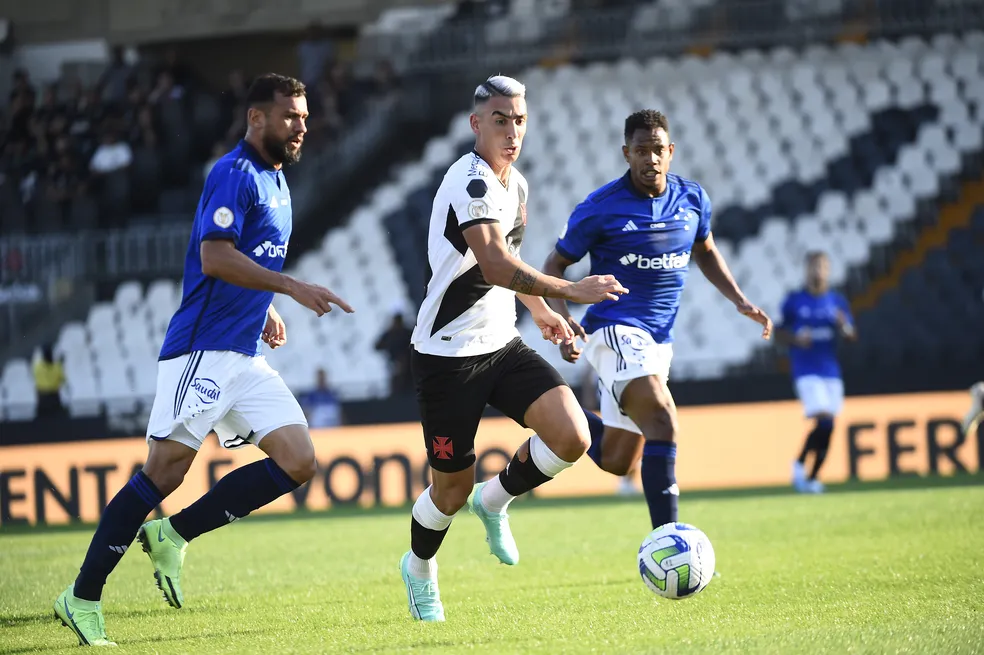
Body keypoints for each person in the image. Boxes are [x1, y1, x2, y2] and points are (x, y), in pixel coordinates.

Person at [53, 73, 354, 647]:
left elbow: (246, 257)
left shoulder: (279, 181)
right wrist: (286, 286)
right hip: (202, 350)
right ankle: (82, 596)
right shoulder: (233, 173)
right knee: (163, 473)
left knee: (299, 460)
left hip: (243, 352)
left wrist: (261, 303)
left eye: (306, 116)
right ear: (257, 118)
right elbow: (214, 257)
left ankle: (174, 536)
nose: (302, 125)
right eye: (291, 115)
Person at [400, 75, 627, 622]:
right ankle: (419, 568)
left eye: (520, 120)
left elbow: (510, 275)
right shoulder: (470, 181)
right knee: (448, 494)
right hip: (447, 357)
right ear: (477, 124)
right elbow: (497, 263)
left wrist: (549, 317)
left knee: (572, 436)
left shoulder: (516, 185)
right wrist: (571, 290)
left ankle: (496, 499)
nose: (512, 130)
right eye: (501, 119)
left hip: (501, 344)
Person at [541, 109, 772, 530]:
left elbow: (705, 250)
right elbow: (553, 266)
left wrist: (739, 300)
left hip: (658, 342)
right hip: (613, 329)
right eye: (641, 151)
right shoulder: (600, 208)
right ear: (626, 153)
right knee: (663, 420)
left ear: (671, 151)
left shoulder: (692, 198)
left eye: (658, 150)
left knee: (615, 459)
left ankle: (554, 415)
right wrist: (564, 322)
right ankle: (670, 541)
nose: (651, 159)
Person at [775, 251, 856, 493]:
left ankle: (809, 475)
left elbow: (852, 336)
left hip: (831, 371)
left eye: (822, 266)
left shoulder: (837, 302)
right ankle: (803, 470)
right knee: (823, 417)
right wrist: (796, 339)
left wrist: (844, 327)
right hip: (805, 369)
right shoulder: (795, 301)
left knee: (829, 424)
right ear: (806, 269)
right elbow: (777, 333)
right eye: (814, 266)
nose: (818, 271)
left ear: (829, 270)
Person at [33, 344, 66, 417]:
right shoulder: (57, 367)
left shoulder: (37, 367)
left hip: (42, 398)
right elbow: (64, 380)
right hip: (54, 397)